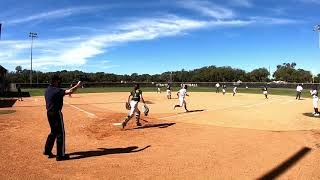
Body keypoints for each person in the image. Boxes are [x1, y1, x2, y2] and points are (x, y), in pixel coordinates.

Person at [44, 74, 82, 161]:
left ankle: (47, 150)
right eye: (58, 81)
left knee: (53, 132)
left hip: (49, 113)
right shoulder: (56, 90)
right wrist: (78, 85)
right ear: (54, 81)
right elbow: (70, 91)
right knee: (60, 133)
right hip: (56, 113)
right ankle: (60, 155)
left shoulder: (47, 90)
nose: (59, 82)